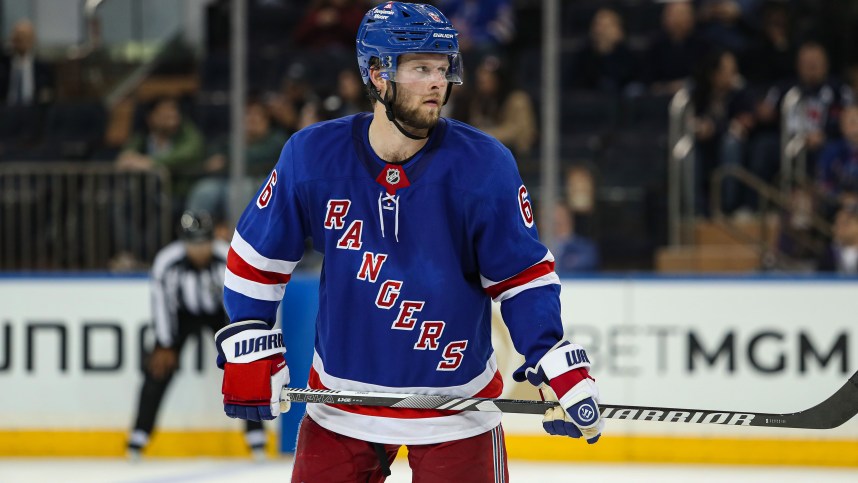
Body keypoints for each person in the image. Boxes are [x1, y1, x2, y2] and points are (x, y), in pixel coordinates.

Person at [214, 3, 603, 482]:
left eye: (443, 69)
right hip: (341, 405)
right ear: (377, 75)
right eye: (420, 68)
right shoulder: (313, 156)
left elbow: (521, 278)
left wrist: (548, 355)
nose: (438, 82)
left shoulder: (484, 165)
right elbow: (257, 257)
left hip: (457, 409)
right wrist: (250, 335)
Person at [128, 211, 266, 460]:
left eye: (204, 242)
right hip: (183, 315)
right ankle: (138, 437)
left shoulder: (227, 257)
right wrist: (165, 342)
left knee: (244, 365)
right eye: (193, 243)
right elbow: (162, 305)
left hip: (222, 315)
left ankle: (256, 438)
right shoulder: (167, 262)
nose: (199, 250)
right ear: (183, 241)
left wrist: (241, 340)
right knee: (157, 368)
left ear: (213, 239)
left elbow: (243, 299)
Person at [0, 19, 54, 105]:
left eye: (25, 36)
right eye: (18, 36)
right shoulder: (3, 65)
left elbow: (48, 95)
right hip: (6, 112)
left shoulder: (43, 68)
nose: (22, 39)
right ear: (12, 39)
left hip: (33, 112)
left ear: (33, 39)